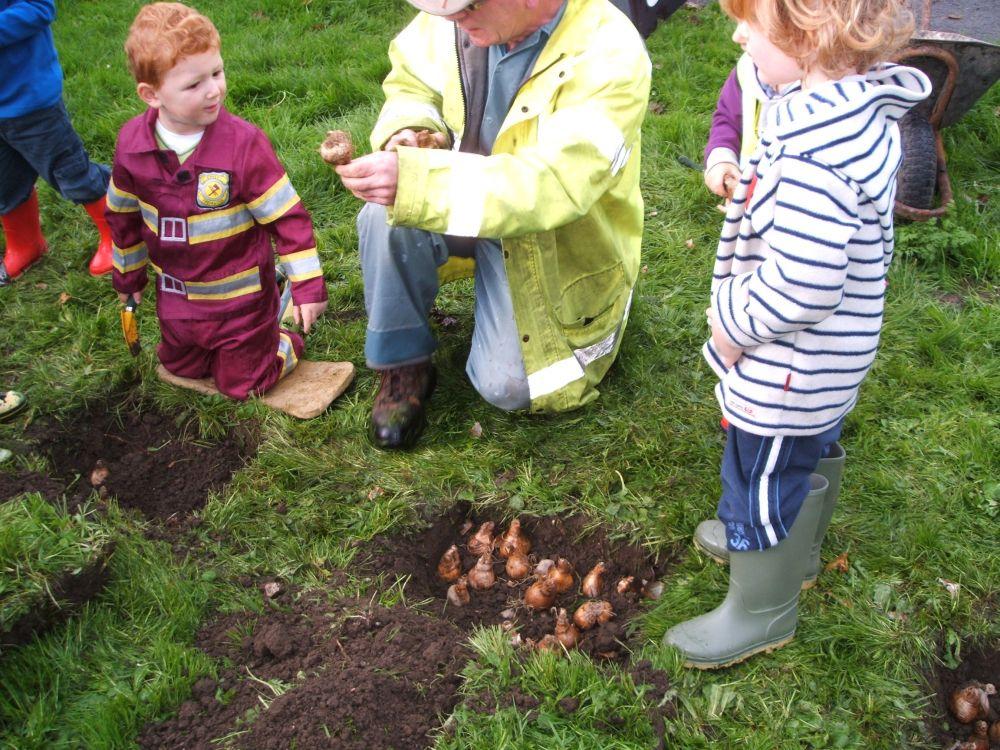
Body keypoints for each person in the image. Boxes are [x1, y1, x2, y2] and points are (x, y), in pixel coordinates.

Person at [661, 0, 929, 668]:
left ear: (813, 35)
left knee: (761, 469)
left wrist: (731, 326)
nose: (737, 32)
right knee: (808, 445)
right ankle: (797, 553)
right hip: (830, 359)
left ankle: (762, 604)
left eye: (752, 21)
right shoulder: (853, 112)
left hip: (788, 362)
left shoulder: (817, 151)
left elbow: (803, 286)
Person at [336, 0, 651, 449]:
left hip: (548, 237)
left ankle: (610, 307)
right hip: (464, 200)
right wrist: (409, 130)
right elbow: (411, 81)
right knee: (383, 214)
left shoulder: (611, 52)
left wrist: (419, 182)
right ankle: (402, 362)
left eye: (467, 6)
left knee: (508, 388)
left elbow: (553, 186)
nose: (452, 18)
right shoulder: (451, 20)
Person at [106, 2, 328, 401]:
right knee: (179, 365)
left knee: (243, 385)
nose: (214, 90)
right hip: (178, 300)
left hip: (240, 302)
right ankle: (226, 351)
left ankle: (279, 345)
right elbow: (122, 220)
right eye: (193, 85)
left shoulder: (243, 145)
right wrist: (128, 277)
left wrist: (308, 285)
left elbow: (287, 218)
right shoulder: (131, 147)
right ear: (151, 94)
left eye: (217, 72)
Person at [0, 0, 115, 286]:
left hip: (28, 99)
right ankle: (25, 245)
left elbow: (39, 7)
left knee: (71, 171)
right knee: (5, 183)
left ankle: (118, 236)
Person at [703, 24, 794, 200]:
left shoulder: (833, 110)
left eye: (753, 21)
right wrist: (722, 159)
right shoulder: (748, 69)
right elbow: (727, 117)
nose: (737, 36)